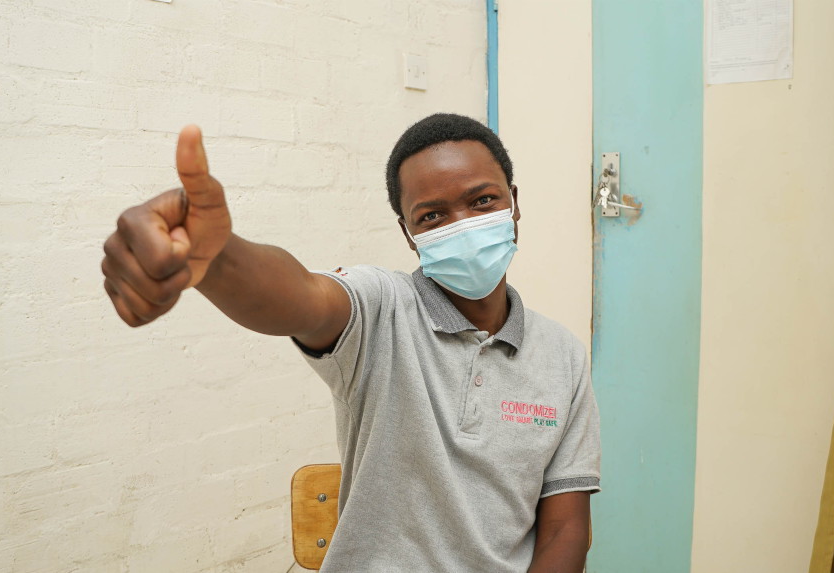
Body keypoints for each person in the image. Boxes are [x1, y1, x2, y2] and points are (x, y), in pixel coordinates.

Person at [102, 113, 601, 572]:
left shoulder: (562, 357)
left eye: (482, 201)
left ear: (514, 203)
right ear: (408, 234)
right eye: (432, 216)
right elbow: (304, 298)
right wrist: (216, 259)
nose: (463, 225)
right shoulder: (381, 308)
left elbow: (564, 527)